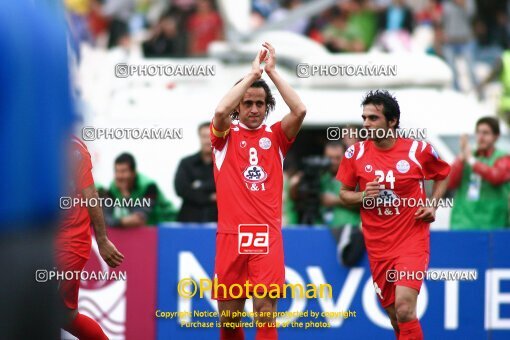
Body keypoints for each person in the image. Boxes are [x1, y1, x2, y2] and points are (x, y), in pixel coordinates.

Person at [211, 42, 306, 340]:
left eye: (260, 104)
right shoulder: (224, 137)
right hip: (231, 236)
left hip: (265, 236)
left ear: (267, 107)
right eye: (248, 103)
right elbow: (220, 110)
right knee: (229, 320)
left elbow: (300, 109)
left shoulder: (276, 136)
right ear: (240, 106)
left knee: (265, 313)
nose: (254, 109)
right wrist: (252, 76)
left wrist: (272, 73)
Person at [337, 90, 450, 339]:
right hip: (377, 245)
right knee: (396, 318)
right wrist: (363, 196)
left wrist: (432, 205)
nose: (366, 123)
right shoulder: (354, 154)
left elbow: (443, 174)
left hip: (411, 239)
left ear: (392, 121)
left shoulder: (417, 151)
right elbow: (343, 195)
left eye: (373, 118)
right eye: (364, 117)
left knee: (405, 308)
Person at [56, 136, 124, 339]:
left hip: (68, 244)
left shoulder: (73, 149)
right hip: (42, 240)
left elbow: (91, 195)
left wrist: (102, 240)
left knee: (53, 312)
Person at [448, 117, 510, 230]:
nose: (481, 137)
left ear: (496, 136)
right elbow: (449, 183)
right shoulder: (466, 157)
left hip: (493, 225)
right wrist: (461, 158)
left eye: (486, 133)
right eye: (478, 132)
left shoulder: (503, 158)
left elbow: (496, 177)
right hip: (463, 224)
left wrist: (471, 160)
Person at [102, 153, 176, 227]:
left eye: (123, 171)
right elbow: (105, 218)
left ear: (134, 172)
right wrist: (122, 221)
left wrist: (126, 196)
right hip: (148, 230)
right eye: (117, 171)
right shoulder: (113, 187)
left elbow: (139, 219)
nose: (119, 176)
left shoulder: (149, 186)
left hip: (169, 225)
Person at [175, 122, 218, 222]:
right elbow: (181, 190)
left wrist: (198, 186)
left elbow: (226, 189)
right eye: (204, 136)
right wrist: (211, 196)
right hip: (189, 219)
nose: (208, 141)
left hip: (217, 220)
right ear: (199, 137)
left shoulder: (224, 164)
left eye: (211, 136)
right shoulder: (186, 163)